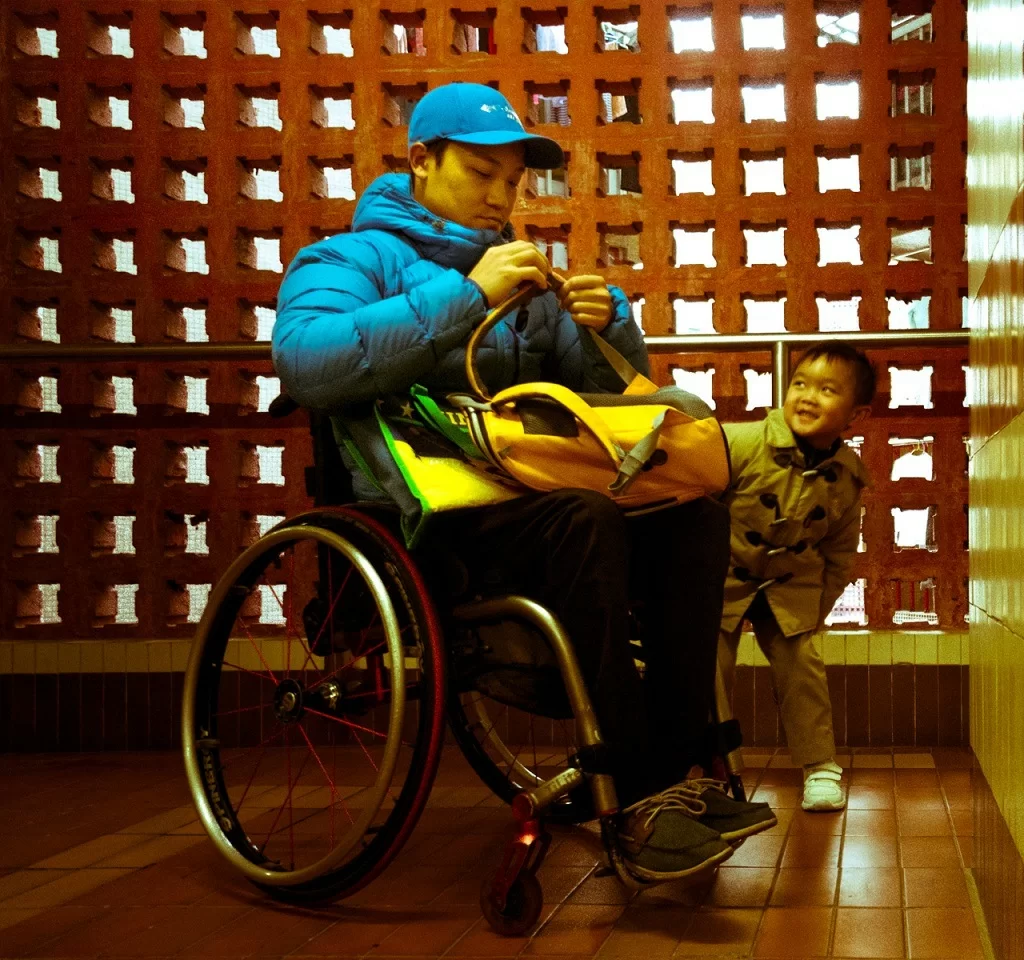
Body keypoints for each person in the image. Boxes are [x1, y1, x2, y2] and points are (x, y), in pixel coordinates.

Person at [273, 82, 776, 880]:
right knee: (584, 518)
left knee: (692, 519)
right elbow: (308, 363)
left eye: (512, 181)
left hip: (534, 503)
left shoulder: (526, 281)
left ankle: (682, 772)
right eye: (481, 174)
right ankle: (637, 795)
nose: (500, 197)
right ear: (421, 161)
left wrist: (608, 327)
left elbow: (601, 413)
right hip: (423, 518)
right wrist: (468, 294)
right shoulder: (347, 260)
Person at [717, 341, 875, 811]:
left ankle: (819, 765)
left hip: (792, 585)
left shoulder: (847, 477)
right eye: (800, 384)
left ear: (856, 415)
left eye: (827, 390)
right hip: (722, 580)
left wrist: (816, 606)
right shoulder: (740, 442)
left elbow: (840, 551)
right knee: (707, 668)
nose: (807, 396)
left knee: (802, 668)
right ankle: (711, 767)